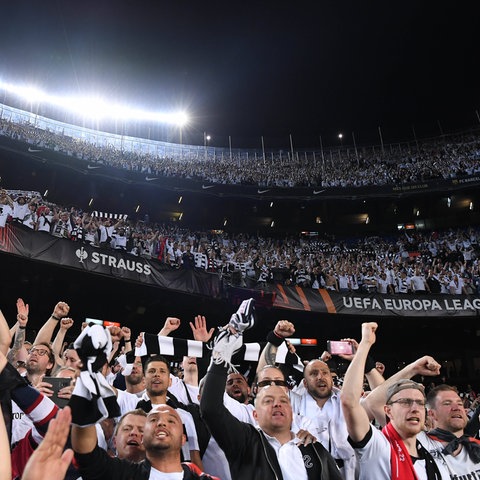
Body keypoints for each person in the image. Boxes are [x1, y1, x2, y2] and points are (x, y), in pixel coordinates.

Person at [200, 320, 342, 480]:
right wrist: (221, 354)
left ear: (290, 404)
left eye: (282, 398)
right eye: (267, 399)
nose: (276, 402)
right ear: (255, 412)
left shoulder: (312, 443)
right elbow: (211, 408)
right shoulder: (245, 439)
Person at [340, 322, 447, 480]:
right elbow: (351, 401)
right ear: (388, 411)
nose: (414, 408)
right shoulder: (377, 446)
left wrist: (414, 370)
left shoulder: (436, 450)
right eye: (406, 402)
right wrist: (366, 343)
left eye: (419, 402)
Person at [72, 404, 218, 480]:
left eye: (171, 420)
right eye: (153, 419)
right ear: (144, 438)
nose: (162, 423)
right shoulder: (118, 473)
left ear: (182, 439)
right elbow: (86, 452)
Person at [419, 384, 480, 477]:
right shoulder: (421, 444)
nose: (457, 408)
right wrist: (412, 370)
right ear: (432, 414)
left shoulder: (476, 445)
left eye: (460, 404)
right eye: (447, 403)